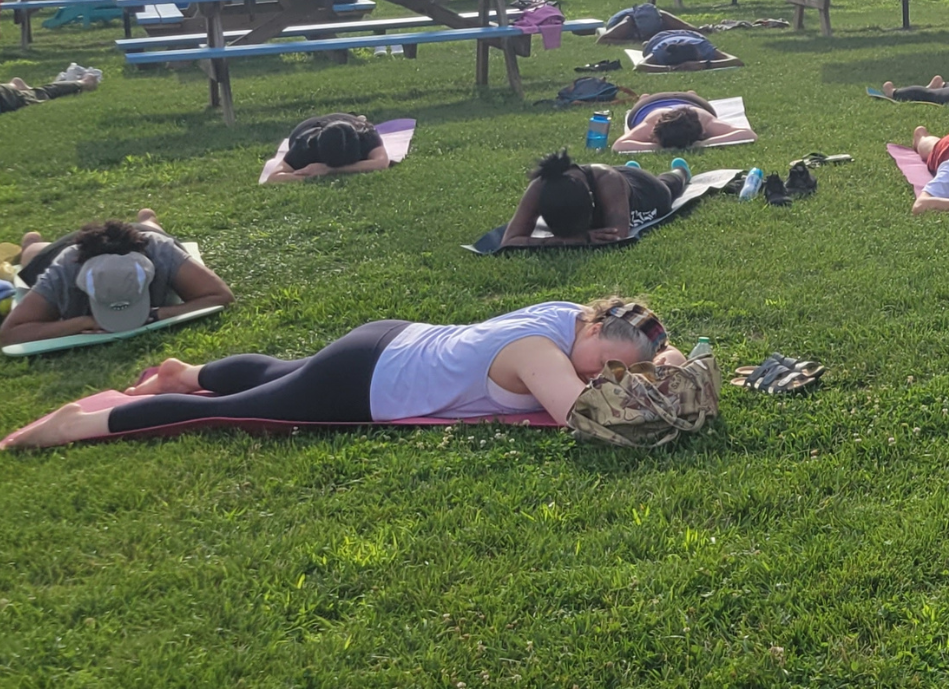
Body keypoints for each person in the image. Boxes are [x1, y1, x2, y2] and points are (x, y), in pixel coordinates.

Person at [4, 297, 684, 450]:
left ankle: (189, 369)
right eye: (608, 365)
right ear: (593, 333)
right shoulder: (545, 358)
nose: (608, 378)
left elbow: (640, 337)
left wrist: (665, 353)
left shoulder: (570, 315)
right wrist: (675, 382)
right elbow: (589, 420)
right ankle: (78, 424)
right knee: (252, 408)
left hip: (391, 339)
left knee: (277, 372)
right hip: (369, 378)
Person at [0, 212, 234, 344]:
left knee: (152, 228)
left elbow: (221, 295)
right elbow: (9, 333)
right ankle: (30, 242)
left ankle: (147, 219)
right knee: (33, 255)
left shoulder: (161, 252)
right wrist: (85, 323)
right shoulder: (65, 268)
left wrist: (157, 314)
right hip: (70, 246)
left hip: (142, 236)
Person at [501, 150, 690, 248]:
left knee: (668, 187)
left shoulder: (608, 182)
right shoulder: (539, 186)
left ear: (592, 201)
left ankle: (680, 172)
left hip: (644, 190)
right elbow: (509, 241)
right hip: (614, 181)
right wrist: (566, 240)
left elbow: (618, 236)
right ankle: (632, 167)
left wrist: (580, 238)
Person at [609, 90, 754, 151]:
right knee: (644, 98)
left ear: (702, 132)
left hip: (690, 101)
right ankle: (644, 97)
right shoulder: (652, 123)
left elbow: (749, 134)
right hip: (649, 104)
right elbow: (618, 145)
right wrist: (658, 147)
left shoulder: (705, 121)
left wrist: (704, 143)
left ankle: (691, 93)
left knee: (691, 95)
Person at [266, 112, 390, 182]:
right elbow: (273, 177)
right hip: (307, 126)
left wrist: (327, 170)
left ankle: (357, 116)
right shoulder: (305, 146)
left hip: (348, 119)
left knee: (359, 121)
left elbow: (382, 163)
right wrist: (308, 176)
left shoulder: (366, 135)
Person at [0, 71, 99, 114]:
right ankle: (15, 85)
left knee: (43, 92)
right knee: (40, 92)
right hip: (6, 94)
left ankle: (84, 83)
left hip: (8, 96)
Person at [636, 27, 730, 70]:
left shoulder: (702, 46)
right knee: (646, 47)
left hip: (691, 35)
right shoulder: (661, 51)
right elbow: (640, 66)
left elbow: (736, 61)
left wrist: (706, 64)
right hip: (660, 38)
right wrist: (671, 68)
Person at [597, 3, 691, 45]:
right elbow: (602, 40)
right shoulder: (627, 24)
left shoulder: (662, 16)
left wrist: (698, 30)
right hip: (618, 19)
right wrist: (631, 42)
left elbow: (687, 29)